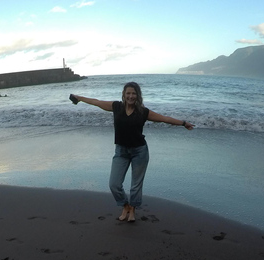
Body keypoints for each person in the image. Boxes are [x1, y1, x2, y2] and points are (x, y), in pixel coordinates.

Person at [70, 82, 195, 223]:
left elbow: (164, 118)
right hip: (121, 151)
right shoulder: (116, 107)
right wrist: (79, 97)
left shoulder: (143, 112)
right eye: (128, 93)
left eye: (133, 93)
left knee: (135, 185)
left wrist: (183, 123)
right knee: (114, 184)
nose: (131, 96)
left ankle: (132, 210)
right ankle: (125, 205)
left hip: (139, 152)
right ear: (123, 94)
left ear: (138, 95)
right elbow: (96, 102)